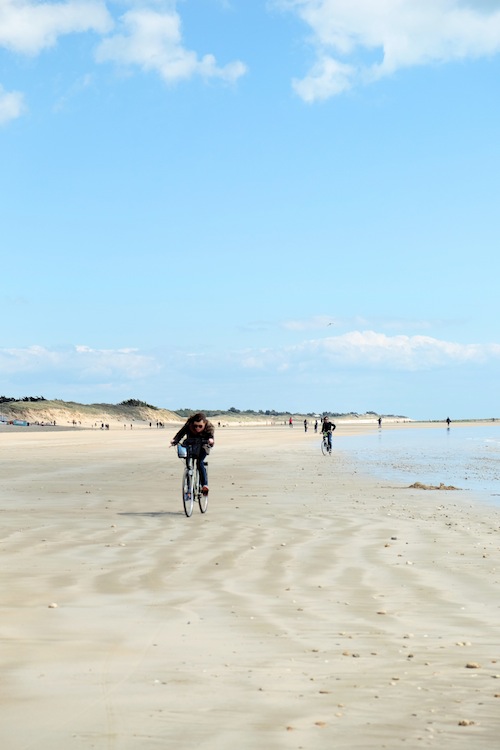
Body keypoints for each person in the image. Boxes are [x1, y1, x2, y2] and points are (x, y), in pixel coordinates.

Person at [171, 412, 214, 495]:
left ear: (204, 424)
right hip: (191, 445)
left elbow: (211, 437)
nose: (197, 428)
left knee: (199, 462)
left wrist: (211, 440)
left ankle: (204, 485)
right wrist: (175, 440)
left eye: (200, 426)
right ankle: (189, 488)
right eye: (195, 426)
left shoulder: (209, 426)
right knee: (188, 467)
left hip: (203, 446)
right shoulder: (189, 425)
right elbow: (180, 434)